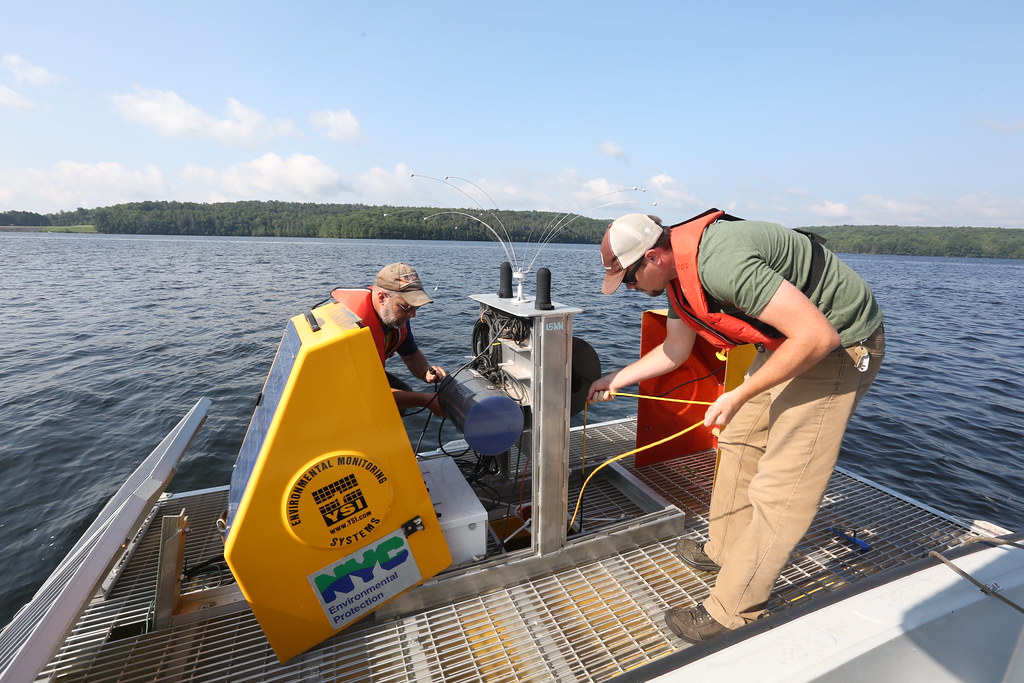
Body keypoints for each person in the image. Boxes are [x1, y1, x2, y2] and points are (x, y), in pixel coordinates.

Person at [588, 209, 884, 644]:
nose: (630, 290)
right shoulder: (675, 274)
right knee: (741, 439)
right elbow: (674, 350)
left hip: (837, 345)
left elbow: (817, 337)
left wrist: (738, 393)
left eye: (629, 279)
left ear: (653, 256)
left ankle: (733, 611)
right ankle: (723, 549)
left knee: (783, 486)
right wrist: (614, 379)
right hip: (791, 339)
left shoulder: (722, 263)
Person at [331, 263, 447, 416]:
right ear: (382, 297)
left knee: (404, 390)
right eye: (407, 307)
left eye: (416, 307)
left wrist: (426, 373)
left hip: (360, 382)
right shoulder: (350, 328)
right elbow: (365, 391)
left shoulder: (394, 317)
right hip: (332, 390)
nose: (413, 314)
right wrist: (426, 400)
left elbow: (411, 355)